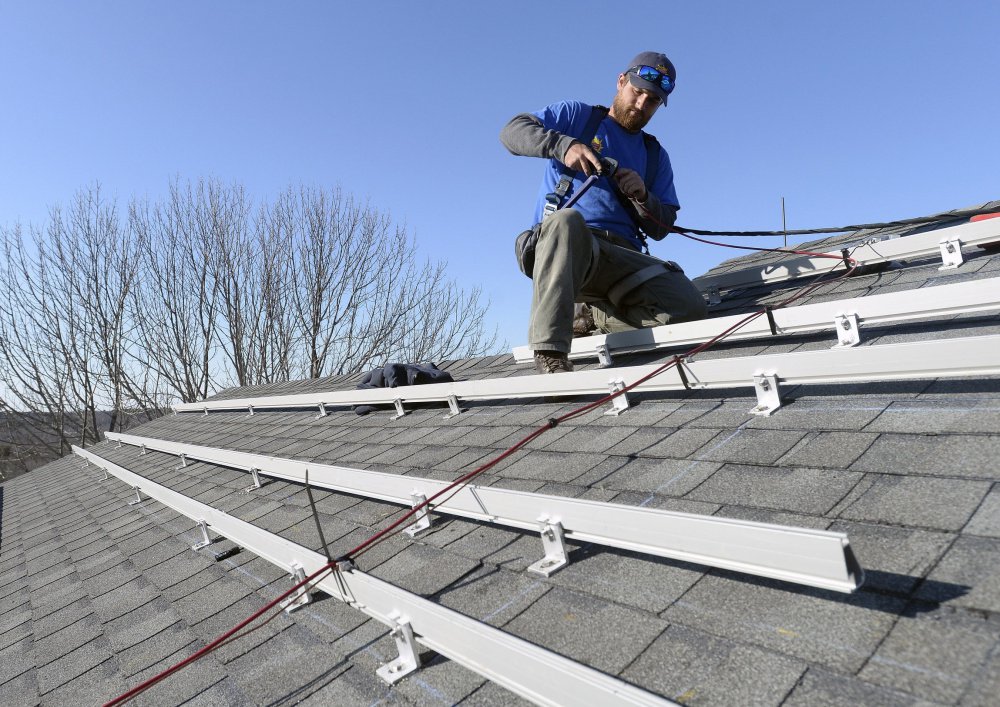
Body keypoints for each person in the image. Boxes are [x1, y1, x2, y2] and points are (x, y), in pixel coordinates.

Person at [500, 51, 708, 373]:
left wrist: (643, 197)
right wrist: (564, 146)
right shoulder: (577, 117)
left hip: (624, 260)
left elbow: (662, 226)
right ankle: (551, 354)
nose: (641, 104)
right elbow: (512, 132)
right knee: (566, 221)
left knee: (691, 308)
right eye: (637, 92)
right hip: (569, 248)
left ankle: (595, 316)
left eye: (652, 100)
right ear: (621, 81)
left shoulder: (655, 156)